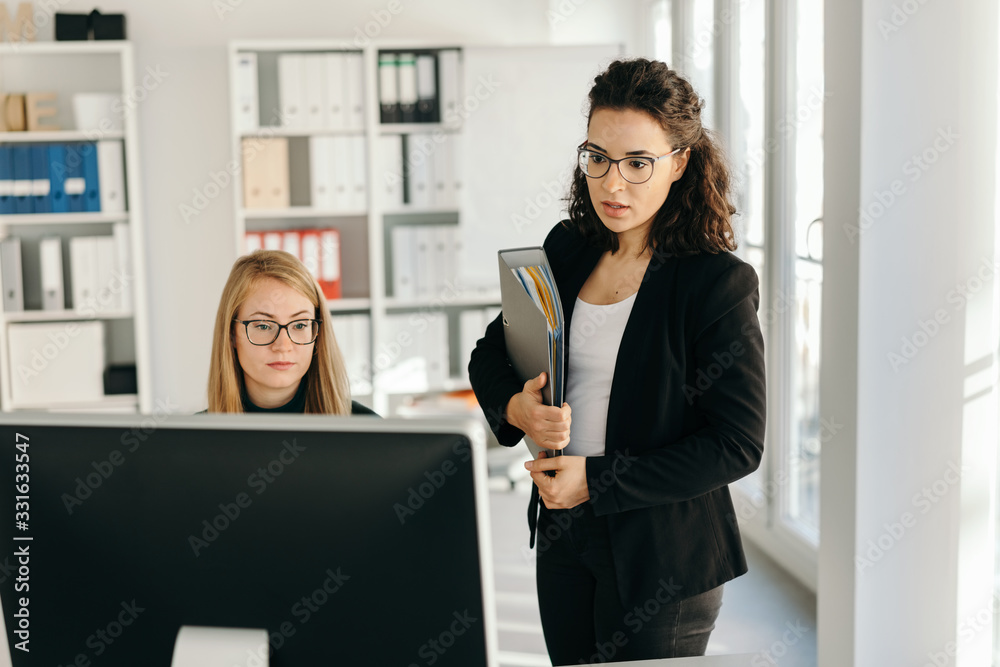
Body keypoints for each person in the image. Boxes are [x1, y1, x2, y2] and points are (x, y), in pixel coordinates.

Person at [468, 57, 766, 664]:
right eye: (597, 157)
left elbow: (737, 443)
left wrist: (597, 482)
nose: (611, 184)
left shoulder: (716, 284)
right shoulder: (567, 246)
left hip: (663, 554)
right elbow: (489, 352)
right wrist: (517, 408)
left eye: (637, 163)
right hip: (563, 533)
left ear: (679, 163)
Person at [207, 249, 377, 415]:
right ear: (231, 334)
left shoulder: (371, 433)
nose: (283, 346)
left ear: (317, 334)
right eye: (263, 326)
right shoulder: (188, 437)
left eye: (300, 325)